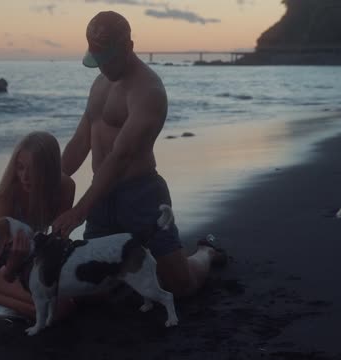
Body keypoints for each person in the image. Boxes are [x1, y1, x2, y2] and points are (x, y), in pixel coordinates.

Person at [52, 11, 226, 298]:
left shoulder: (148, 91)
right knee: (98, 284)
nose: (104, 68)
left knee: (181, 287)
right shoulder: (100, 84)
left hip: (141, 195)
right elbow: (81, 141)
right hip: (101, 196)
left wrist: (78, 211)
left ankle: (206, 252)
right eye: (98, 60)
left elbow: (121, 157)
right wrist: (52, 181)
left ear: (129, 47)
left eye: (109, 59)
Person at [0, 131, 76, 317]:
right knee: (57, 309)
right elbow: (1, 264)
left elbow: (57, 243)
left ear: (49, 169)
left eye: (33, 169)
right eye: (20, 167)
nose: (25, 176)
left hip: (31, 261)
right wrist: (14, 265)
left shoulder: (66, 187)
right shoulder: (8, 196)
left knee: (70, 302)